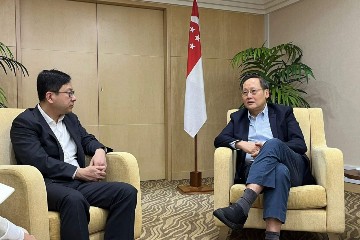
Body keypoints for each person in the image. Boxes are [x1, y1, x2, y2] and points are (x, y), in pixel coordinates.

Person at [10, 69, 137, 240]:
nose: (74, 98)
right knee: (74, 199)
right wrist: (78, 172)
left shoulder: (70, 118)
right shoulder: (25, 122)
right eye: (69, 93)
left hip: (78, 182)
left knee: (126, 192)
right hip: (47, 184)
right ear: (50, 96)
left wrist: (100, 150)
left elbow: (87, 139)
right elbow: (38, 160)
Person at [213, 73, 315, 240]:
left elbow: (299, 144)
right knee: (279, 172)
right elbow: (219, 139)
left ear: (266, 93)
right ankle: (272, 236)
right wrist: (241, 144)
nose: (249, 96)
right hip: (255, 168)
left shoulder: (283, 113)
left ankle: (242, 205)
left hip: (293, 168)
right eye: (245, 92)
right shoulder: (237, 117)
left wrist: (270, 148)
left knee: (273, 144)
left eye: (253, 91)